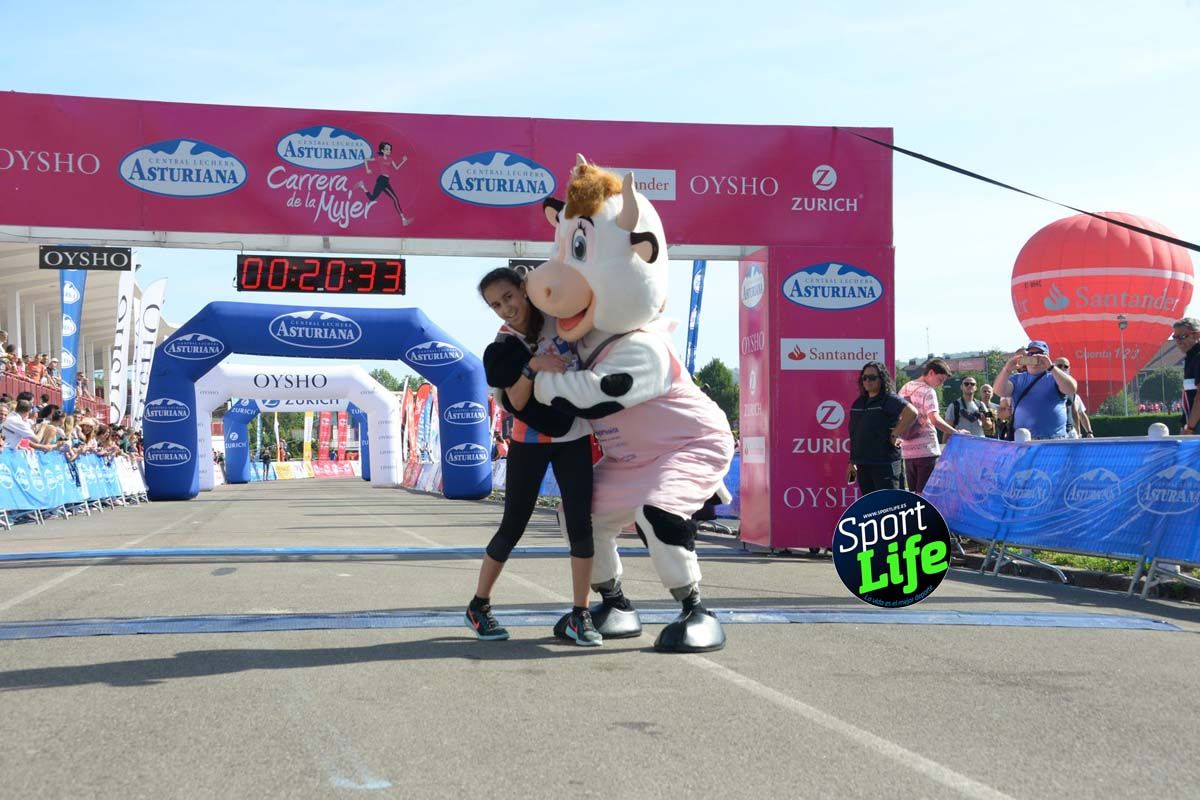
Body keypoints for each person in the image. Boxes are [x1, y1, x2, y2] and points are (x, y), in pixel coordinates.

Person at [466, 266, 599, 646]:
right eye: (495, 305)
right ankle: (479, 605)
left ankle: (580, 614)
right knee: (513, 525)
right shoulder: (501, 346)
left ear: (525, 290)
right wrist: (533, 365)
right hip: (529, 441)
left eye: (509, 297)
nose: (505, 308)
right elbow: (518, 400)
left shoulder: (562, 316)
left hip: (574, 436)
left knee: (580, 525)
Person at [898, 358, 966, 493]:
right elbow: (934, 419)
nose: (940, 385)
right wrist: (956, 432)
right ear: (931, 373)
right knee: (926, 495)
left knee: (914, 495)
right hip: (926, 450)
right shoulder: (928, 391)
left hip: (907, 450)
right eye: (940, 380)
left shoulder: (906, 387)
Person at [847, 362, 917, 494]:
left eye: (872, 377)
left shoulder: (888, 399)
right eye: (864, 378)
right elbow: (855, 433)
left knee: (889, 505)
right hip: (863, 464)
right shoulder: (859, 403)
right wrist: (852, 461)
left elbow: (911, 413)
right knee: (871, 507)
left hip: (884, 464)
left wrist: (895, 434)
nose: (868, 381)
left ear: (881, 378)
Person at [994, 340, 1078, 440]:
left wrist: (1051, 367)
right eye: (1031, 354)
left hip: (1054, 439)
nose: (1034, 357)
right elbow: (999, 391)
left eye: (1039, 354)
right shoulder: (1017, 379)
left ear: (1046, 356)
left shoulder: (1055, 377)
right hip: (1024, 440)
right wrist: (1007, 369)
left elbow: (1071, 389)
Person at [357, 141, 413, 226]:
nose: (389, 151)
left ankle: (362, 186)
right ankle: (403, 220)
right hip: (382, 180)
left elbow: (396, 168)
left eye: (390, 149)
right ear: (382, 150)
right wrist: (367, 169)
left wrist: (403, 161)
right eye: (387, 149)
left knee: (372, 198)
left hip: (385, 181)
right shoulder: (379, 158)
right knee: (395, 199)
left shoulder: (390, 159)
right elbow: (366, 159)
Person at [1052, 357, 1093, 438]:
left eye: (1066, 366)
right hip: (1054, 432)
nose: (1063, 368)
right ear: (1054, 367)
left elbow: (1075, 412)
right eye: (1060, 366)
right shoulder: (1048, 385)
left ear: (1069, 368)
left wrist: (1080, 432)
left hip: (1070, 431)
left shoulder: (1072, 390)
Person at [1174, 317, 1200, 435]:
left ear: (1196, 335)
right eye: (1175, 337)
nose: (1178, 341)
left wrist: (1190, 427)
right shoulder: (1190, 358)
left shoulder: (1198, 357)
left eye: (1182, 336)